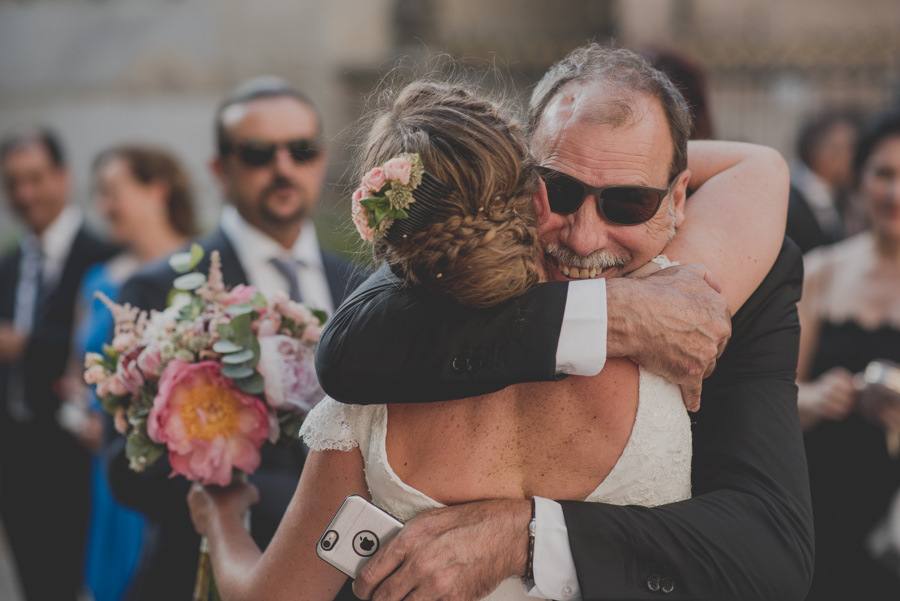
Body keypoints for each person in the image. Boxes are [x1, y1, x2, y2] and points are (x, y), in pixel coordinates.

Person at [316, 45, 813, 600]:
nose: (584, 237)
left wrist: (526, 535)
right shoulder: (454, 272)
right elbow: (348, 350)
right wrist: (615, 314)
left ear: (677, 197)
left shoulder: (733, 286)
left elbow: (770, 550)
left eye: (629, 202)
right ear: (522, 178)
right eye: (561, 189)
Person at [105, 77, 368, 601]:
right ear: (219, 169)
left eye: (301, 149)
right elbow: (125, 470)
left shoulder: (364, 286)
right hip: (202, 575)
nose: (283, 167)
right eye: (256, 153)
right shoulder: (160, 288)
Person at [69, 145, 197, 601]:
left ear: (157, 190)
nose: (104, 206)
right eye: (98, 194)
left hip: (170, 469)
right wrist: (80, 410)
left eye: (113, 192)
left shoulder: (198, 271)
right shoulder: (98, 280)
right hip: (107, 463)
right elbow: (77, 372)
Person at [0, 126, 117, 601]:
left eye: (35, 178)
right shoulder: (8, 265)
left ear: (63, 177)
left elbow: (102, 346)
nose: (25, 194)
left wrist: (23, 344)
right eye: (13, 183)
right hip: (15, 460)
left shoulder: (104, 257)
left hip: (77, 460)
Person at [797, 109, 900, 600]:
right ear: (858, 179)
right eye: (884, 174)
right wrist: (818, 397)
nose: (895, 193)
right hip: (821, 503)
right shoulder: (821, 272)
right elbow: (773, 394)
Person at [787, 111, 860, 253]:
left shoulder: (839, 198)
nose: (854, 160)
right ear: (821, 153)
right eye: (849, 150)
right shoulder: (790, 202)